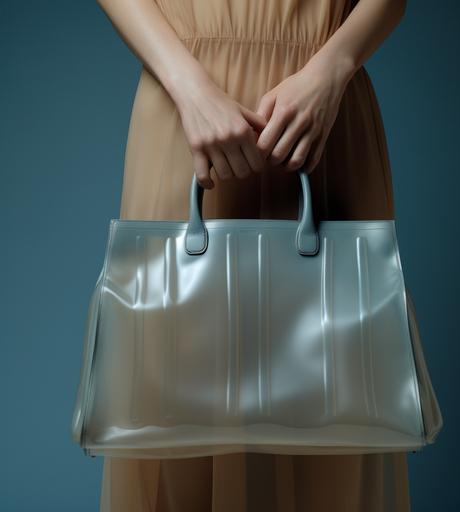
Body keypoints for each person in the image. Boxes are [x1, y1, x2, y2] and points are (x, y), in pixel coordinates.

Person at [96, 0, 410, 510]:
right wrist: (187, 85)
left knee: (332, 416)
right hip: (185, 107)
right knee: (173, 416)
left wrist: (334, 69)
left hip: (322, 111)